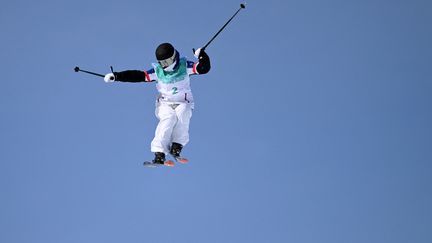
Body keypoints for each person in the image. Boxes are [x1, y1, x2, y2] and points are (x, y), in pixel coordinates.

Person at [103, 43, 211, 165]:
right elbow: (138, 75)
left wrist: (201, 55)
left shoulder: (184, 66)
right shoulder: (158, 71)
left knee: (183, 113)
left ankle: (176, 146)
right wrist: (117, 76)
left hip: (183, 101)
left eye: (168, 61)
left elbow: (203, 68)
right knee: (168, 119)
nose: (166, 65)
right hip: (165, 103)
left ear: (174, 57)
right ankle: (159, 153)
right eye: (162, 62)